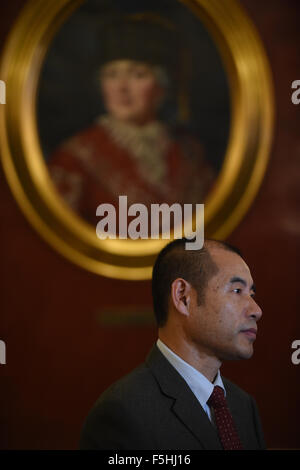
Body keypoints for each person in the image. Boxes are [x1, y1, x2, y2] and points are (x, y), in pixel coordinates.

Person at [79, 238, 265, 450]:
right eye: (237, 291)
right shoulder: (123, 412)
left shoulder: (243, 405)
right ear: (183, 297)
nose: (256, 310)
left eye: (252, 293)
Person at [48, 16, 215, 226]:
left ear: (162, 86)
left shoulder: (191, 154)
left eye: (138, 74)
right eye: (111, 74)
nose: (121, 87)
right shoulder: (73, 158)